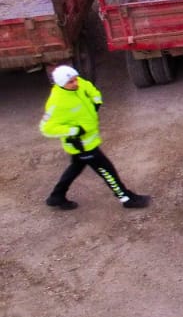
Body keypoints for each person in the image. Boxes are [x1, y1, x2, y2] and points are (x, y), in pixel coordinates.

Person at [39, 65, 149, 210]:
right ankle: (126, 198)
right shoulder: (56, 102)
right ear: (61, 84)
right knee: (106, 170)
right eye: (70, 82)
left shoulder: (78, 84)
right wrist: (74, 130)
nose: (75, 83)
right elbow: (46, 128)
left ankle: (56, 196)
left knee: (76, 167)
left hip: (88, 141)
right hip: (81, 145)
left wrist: (97, 102)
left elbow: (90, 89)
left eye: (75, 79)